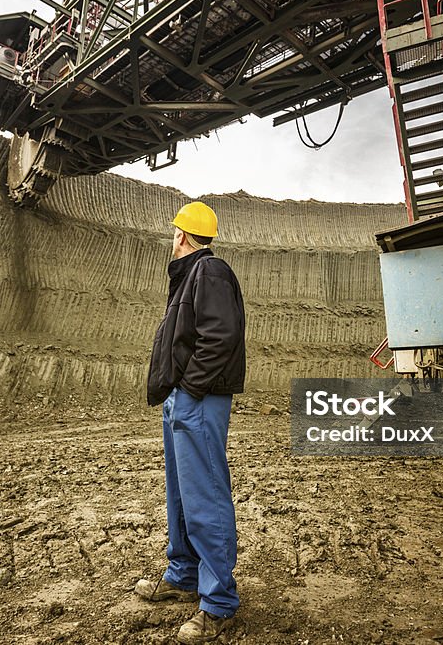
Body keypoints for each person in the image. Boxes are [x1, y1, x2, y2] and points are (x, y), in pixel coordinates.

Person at [135, 201, 246, 644]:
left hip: (199, 399)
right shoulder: (192, 276)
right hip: (184, 398)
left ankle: (218, 602)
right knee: (181, 494)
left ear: (181, 235)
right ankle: (183, 573)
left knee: (205, 496)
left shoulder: (211, 271)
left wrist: (192, 389)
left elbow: (221, 335)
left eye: (172, 233)